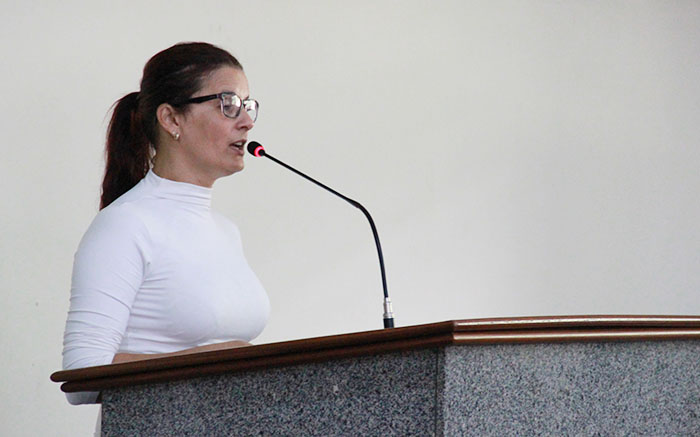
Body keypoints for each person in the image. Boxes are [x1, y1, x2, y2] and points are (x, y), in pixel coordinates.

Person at [61, 42, 270, 406]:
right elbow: (81, 376)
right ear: (172, 119)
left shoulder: (227, 231)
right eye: (228, 104)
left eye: (247, 105)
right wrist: (213, 361)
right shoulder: (125, 225)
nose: (246, 121)